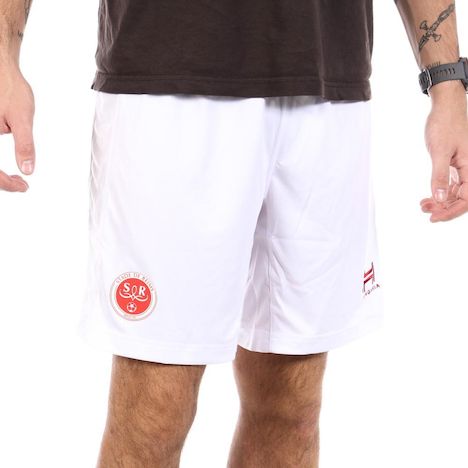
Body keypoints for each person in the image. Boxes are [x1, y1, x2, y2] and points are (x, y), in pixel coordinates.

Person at [0, 1, 467, 467]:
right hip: (168, 81)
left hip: (328, 81)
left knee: (293, 407)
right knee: (156, 405)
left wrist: (448, 85)